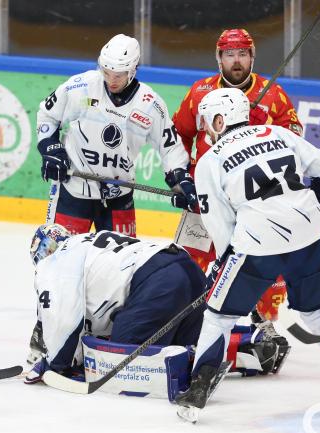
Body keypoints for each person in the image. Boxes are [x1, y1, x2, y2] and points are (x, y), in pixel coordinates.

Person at [174, 88, 320, 422]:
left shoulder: (211, 160)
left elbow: (220, 224)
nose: (207, 128)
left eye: (208, 121)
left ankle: (197, 390)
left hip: (257, 243)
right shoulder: (278, 133)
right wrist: (309, 206)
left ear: (220, 120)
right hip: (310, 235)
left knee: (219, 317)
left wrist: (225, 259)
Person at [29, 34, 195, 363]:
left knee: (122, 269)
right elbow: (47, 116)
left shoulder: (150, 104)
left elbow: (171, 148)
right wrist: (51, 149)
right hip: (74, 190)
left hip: (119, 197)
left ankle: (106, 331)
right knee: (56, 261)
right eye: (106, 71)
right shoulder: (80, 86)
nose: (111, 79)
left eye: (118, 74)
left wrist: (179, 179)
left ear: (133, 70)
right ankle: (44, 326)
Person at [23, 224, 289, 390]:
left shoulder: (56, 262)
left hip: (160, 284)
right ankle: (247, 345)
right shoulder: (88, 245)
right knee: (195, 341)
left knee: (119, 360)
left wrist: (54, 365)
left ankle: (181, 365)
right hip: (185, 270)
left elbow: (64, 320)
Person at [172, 28, 304, 337]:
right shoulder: (199, 92)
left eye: (242, 54)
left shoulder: (273, 94)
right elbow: (178, 136)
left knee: (267, 263)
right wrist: (180, 178)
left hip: (253, 198)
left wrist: (262, 129)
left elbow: (295, 139)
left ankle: (264, 323)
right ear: (218, 58)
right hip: (205, 197)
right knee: (185, 262)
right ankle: (181, 319)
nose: (236, 61)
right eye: (229, 54)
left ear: (252, 57)